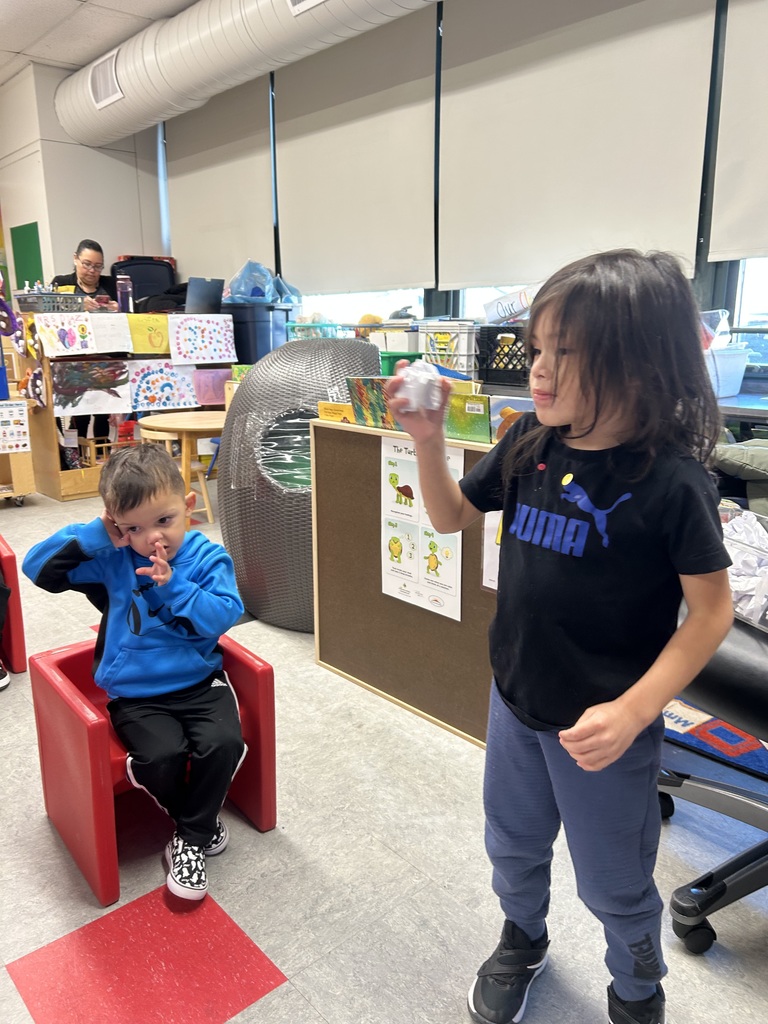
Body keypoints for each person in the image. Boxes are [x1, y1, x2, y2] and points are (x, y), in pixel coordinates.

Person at [387, 249, 734, 1024]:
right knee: (511, 845)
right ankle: (522, 937)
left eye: (564, 354)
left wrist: (636, 712)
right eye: (537, 348)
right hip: (514, 698)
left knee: (613, 880)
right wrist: (425, 437)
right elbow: (450, 518)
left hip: (603, 730)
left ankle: (637, 989)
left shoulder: (673, 483)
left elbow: (709, 614)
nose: (537, 370)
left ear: (639, 365)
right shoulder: (527, 441)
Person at [23, 443, 246, 900]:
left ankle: (189, 837)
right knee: (161, 757)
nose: (152, 539)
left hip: (201, 683)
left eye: (164, 520)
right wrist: (98, 536)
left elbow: (224, 616)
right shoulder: (114, 557)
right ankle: (198, 828)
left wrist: (176, 585)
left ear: (188, 508)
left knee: (225, 743)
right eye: (134, 528)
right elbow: (37, 569)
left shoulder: (207, 558)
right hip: (135, 695)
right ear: (117, 524)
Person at [51, 239, 119, 444]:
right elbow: (51, 314)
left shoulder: (111, 285)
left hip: (105, 357)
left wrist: (119, 306)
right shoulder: (61, 283)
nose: (92, 271)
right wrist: (78, 306)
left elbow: (127, 312)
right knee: (79, 411)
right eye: (87, 264)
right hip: (74, 359)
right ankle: (75, 458)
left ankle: (101, 456)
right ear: (75, 259)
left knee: (102, 409)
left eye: (98, 266)